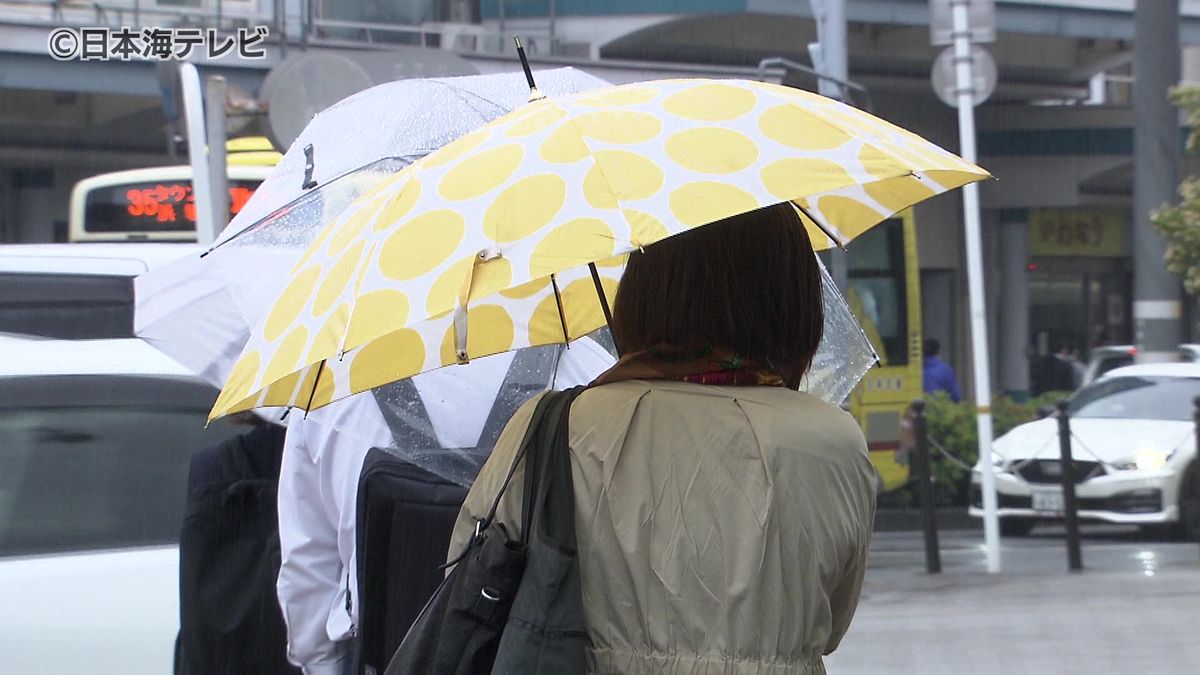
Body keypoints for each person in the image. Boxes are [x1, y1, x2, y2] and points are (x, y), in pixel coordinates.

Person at [448, 203, 877, 674]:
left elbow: (467, 582)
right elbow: (830, 624)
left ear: (643, 296)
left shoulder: (555, 427)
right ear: (794, 304)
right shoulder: (833, 443)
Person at [276, 341, 614, 675]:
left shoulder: (328, 386)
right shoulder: (590, 374)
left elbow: (308, 572)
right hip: (530, 655)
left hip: (383, 650)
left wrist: (325, 663)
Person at [922, 338, 962, 402]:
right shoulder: (946, 370)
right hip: (941, 409)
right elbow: (956, 396)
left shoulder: (916, 372)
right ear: (938, 352)